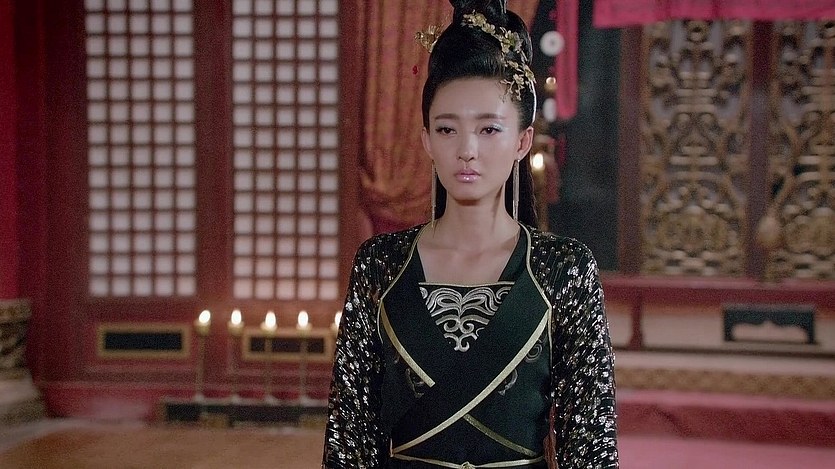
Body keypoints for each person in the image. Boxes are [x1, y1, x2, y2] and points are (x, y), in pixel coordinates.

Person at [323, 1, 618, 467]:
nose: (467, 150)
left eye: (489, 129)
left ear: (522, 141)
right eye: (447, 129)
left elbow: (591, 446)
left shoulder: (563, 269)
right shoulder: (380, 263)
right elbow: (350, 438)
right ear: (426, 140)